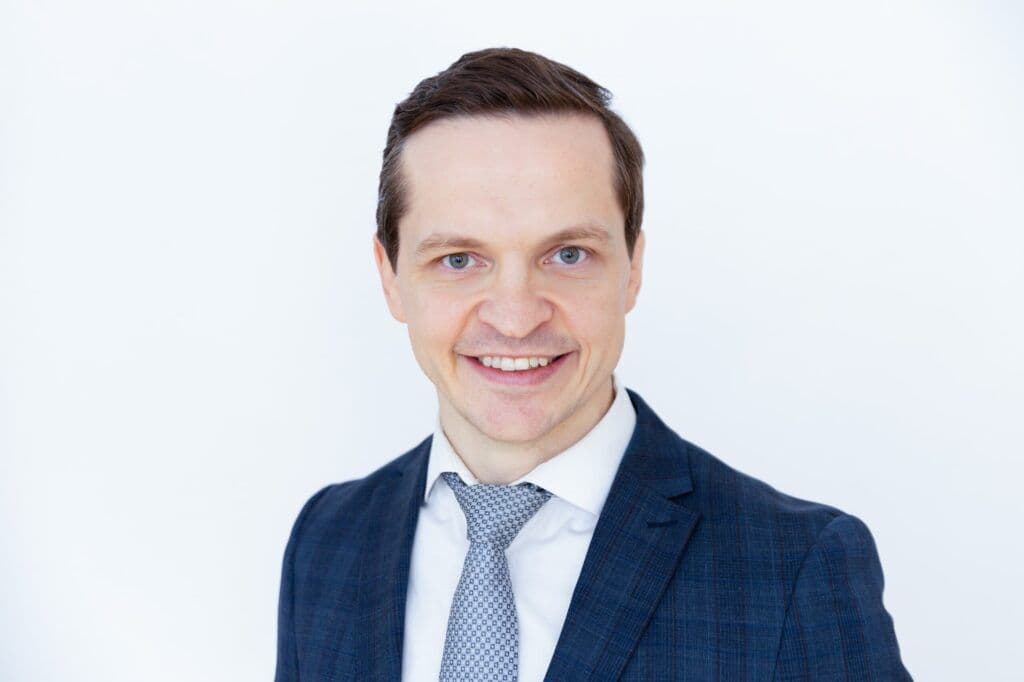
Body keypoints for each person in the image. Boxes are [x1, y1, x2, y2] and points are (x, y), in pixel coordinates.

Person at [274, 47, 912, 681]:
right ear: (390, 278)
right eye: (459, 260)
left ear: (633, 269)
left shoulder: (797, 568)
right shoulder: (327, 541)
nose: (516, 318)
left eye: (568, 255)